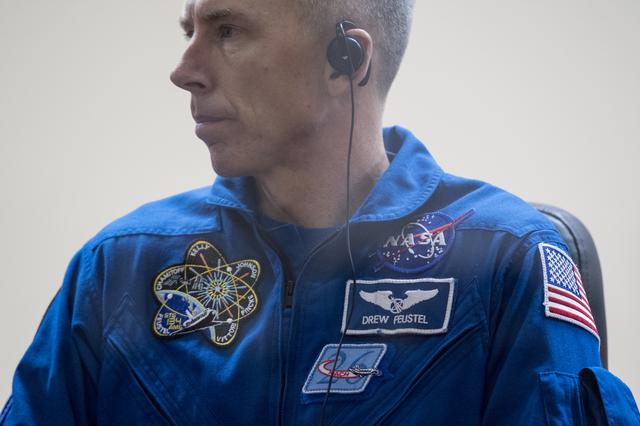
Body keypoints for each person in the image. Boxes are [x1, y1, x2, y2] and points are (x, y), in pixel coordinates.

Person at [1, 0, 639, 424]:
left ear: (346, 61)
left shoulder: (509, 260)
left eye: (227, 31)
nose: (184, 71)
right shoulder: (119, 267)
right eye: (188, 32)